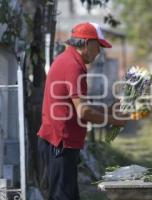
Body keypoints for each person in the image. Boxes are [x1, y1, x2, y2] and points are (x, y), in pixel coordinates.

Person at [37, 22, 126, 200]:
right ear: (86, 43)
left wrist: (108, 109)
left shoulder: (68, 60)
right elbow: (83, 111)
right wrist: (113, 120)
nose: (99, 52)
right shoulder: (73, 66)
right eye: (98, 46)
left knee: (68, 195)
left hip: (60, 141)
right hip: (60, 143)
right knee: (62, 196)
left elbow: (77, 104)